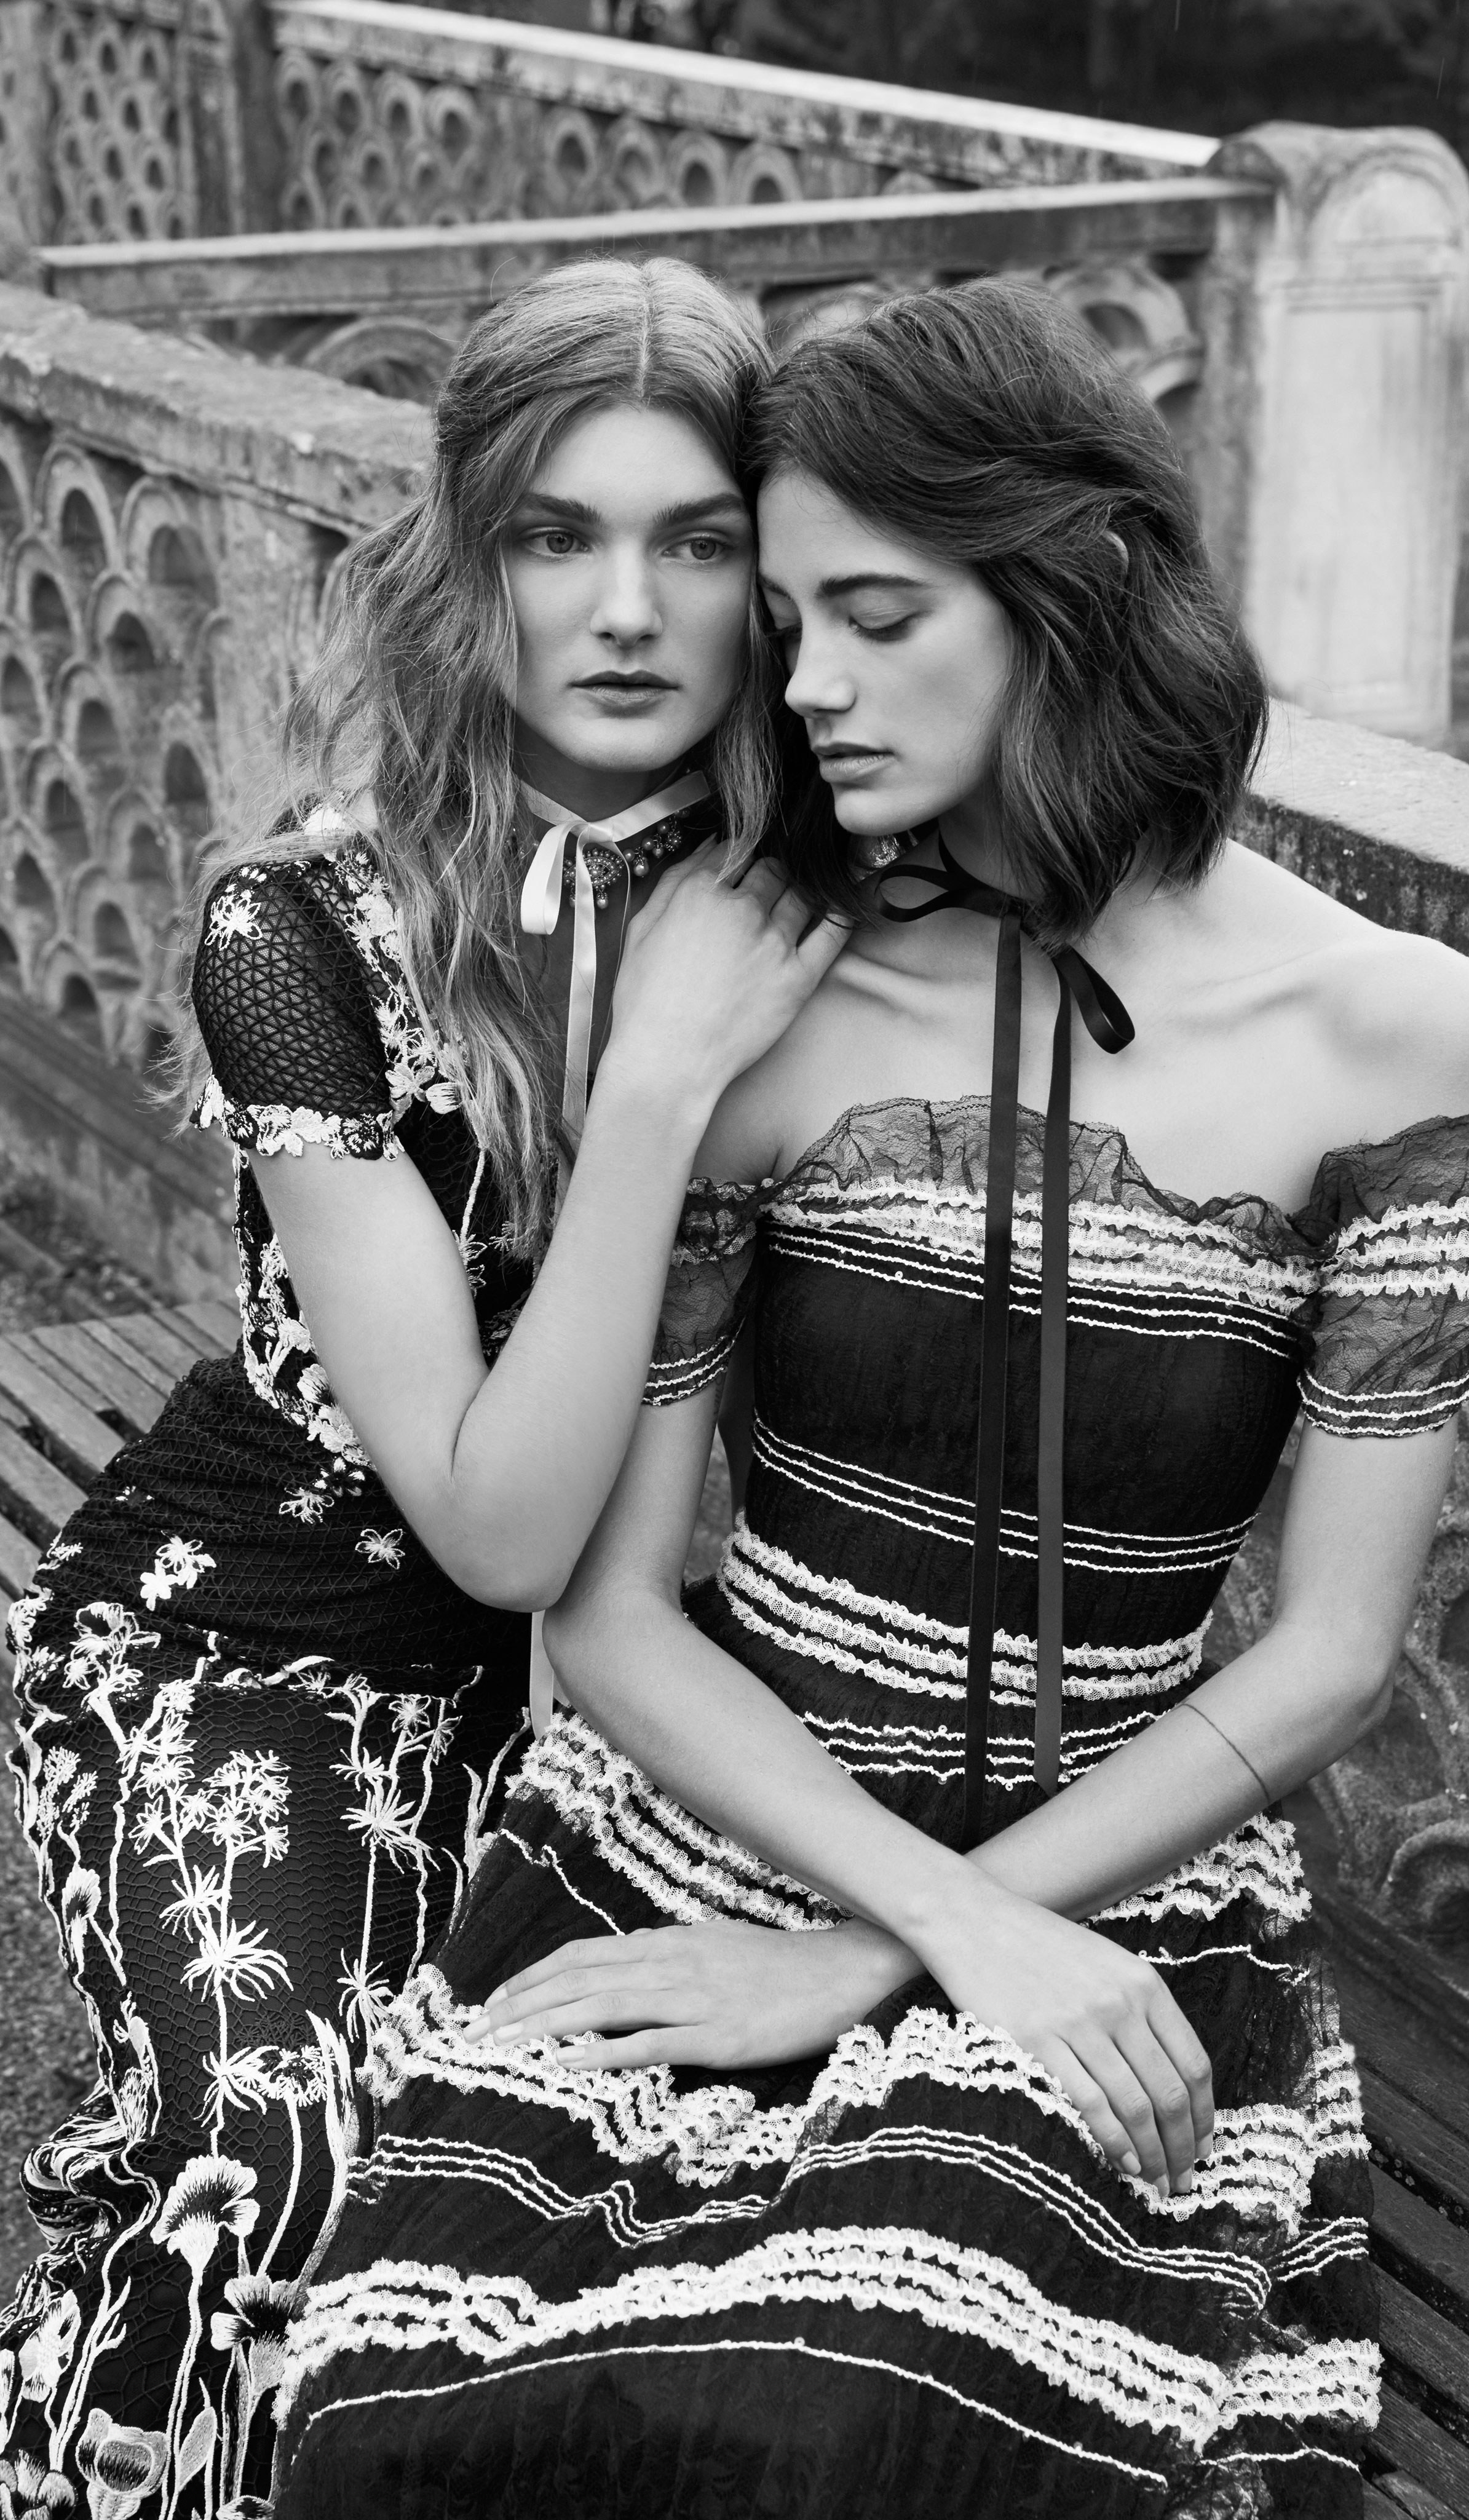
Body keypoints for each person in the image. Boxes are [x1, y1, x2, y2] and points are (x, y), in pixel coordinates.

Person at [273, 281, 1469, 2519]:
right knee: (422, 2415)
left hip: (1124, 1874)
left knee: (882, 2421)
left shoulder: (1398, 1034)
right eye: (787, 624)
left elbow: (1333, 1650)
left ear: (1074, 589)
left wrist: (907, 1949)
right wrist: (880, 1920)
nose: (806, 685)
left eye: (874, 613)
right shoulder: (766, 986)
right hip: (704, 1819)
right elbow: (610, 1609)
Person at [0, 258, 844, 2519]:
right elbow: (490, 1523)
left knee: (614, 2220)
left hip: (671, 1668)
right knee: (294, 2166)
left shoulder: (841, 911)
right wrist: (651, 1089)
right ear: (471, 560)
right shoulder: (299, 935)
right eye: (558, 535)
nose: (627, 610)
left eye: (694, 541)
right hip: (268, 1634)